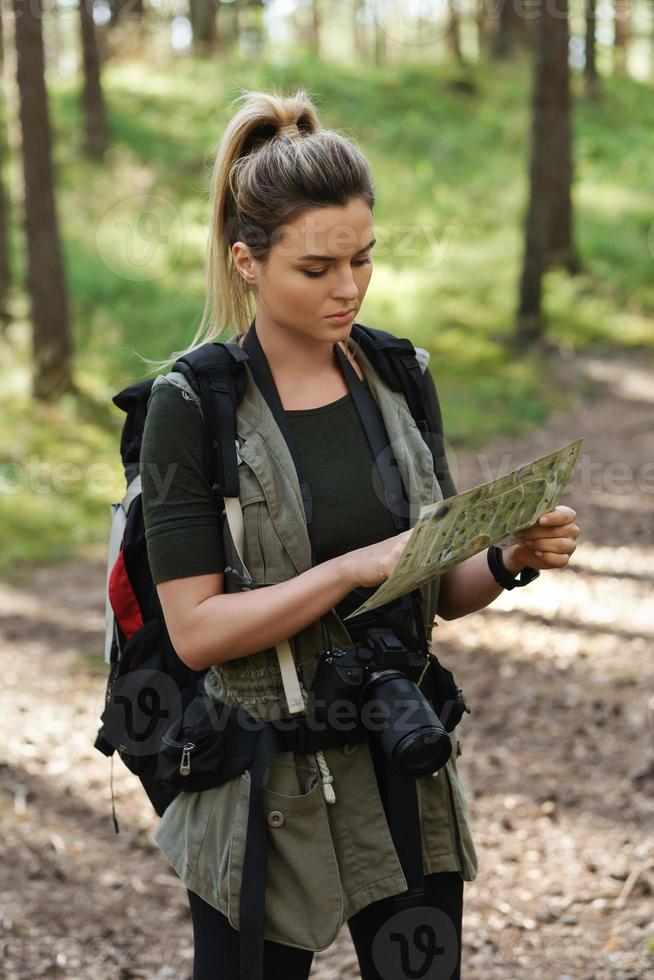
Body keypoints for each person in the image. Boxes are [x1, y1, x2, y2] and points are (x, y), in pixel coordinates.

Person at [139, 89, 581, 980]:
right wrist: (346, 570)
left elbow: (437, 587)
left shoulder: (399, 375)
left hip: (402, 756)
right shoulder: (191, 407)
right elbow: (195, 632)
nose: (347, 287)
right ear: (248, 261)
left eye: (363, 260)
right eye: (316, 268)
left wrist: (506, 559)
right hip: (260, 790)